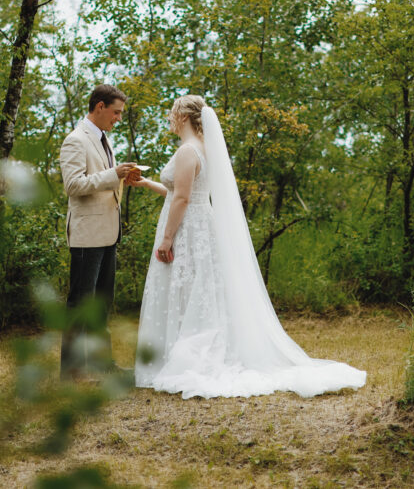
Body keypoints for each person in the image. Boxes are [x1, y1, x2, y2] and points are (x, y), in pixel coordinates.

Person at [128, 95, 367, 398]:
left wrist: (166, 239)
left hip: (188, 229)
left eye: (173, 114)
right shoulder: (203, 149)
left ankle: (188, 355)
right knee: (194, 291)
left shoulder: (188, 151)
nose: (170, 120)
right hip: (199, 223)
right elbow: (182, 191)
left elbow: (183, 198)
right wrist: (147, 183)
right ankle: (183, 349)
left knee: (187, 289)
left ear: (184, 117)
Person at [58, 84, 136, 379]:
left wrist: (122, 178)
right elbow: (73, 185)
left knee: (102, 303)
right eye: (115, 113)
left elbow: (102, 180)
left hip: (108, 232)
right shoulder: (76, 140)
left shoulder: (103, 139)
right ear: (99, 107)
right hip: (86, 234)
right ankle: (72, 371)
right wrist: (112, 175)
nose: (118, 119)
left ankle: (103, 365)